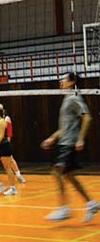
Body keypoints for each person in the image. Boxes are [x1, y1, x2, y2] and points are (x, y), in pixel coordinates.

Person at [41, 72, 99, 222]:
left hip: (69, 143)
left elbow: (87, 117)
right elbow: (65, 126)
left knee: (56, 172)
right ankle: (92, 204)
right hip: (63, 141)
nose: (61, 81)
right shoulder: (67, 99)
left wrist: (80, 139)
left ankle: (64, 208)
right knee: (69, 175)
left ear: (72, 82)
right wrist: (52, 138)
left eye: (64, 79)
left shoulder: (74, 98)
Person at [2, 107, 26, 183]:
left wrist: (8, 140)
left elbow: (8, 131)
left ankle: (19, 176)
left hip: (4, 142)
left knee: (10, 160)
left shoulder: (6, 118)